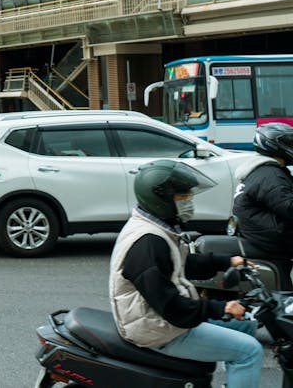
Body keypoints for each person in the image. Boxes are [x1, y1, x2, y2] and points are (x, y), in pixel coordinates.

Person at [110, 160, 262, 387]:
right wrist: (222, 307)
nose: (189, 201)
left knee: (246, 326)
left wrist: (226, 261)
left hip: (164, 319)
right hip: (157, 330)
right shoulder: (148, 243)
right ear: (160, 198)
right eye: (183, 197)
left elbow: (180, 262)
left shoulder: (156, 227)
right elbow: (171, 307)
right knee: (250, 351)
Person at [232, 122, 293, 289]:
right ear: (274, 144)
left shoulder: (261, 170)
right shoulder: (271, 174)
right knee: (285, 296)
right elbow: (287, 206)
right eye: (289, 142)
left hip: (259, 233)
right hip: (270, 239)